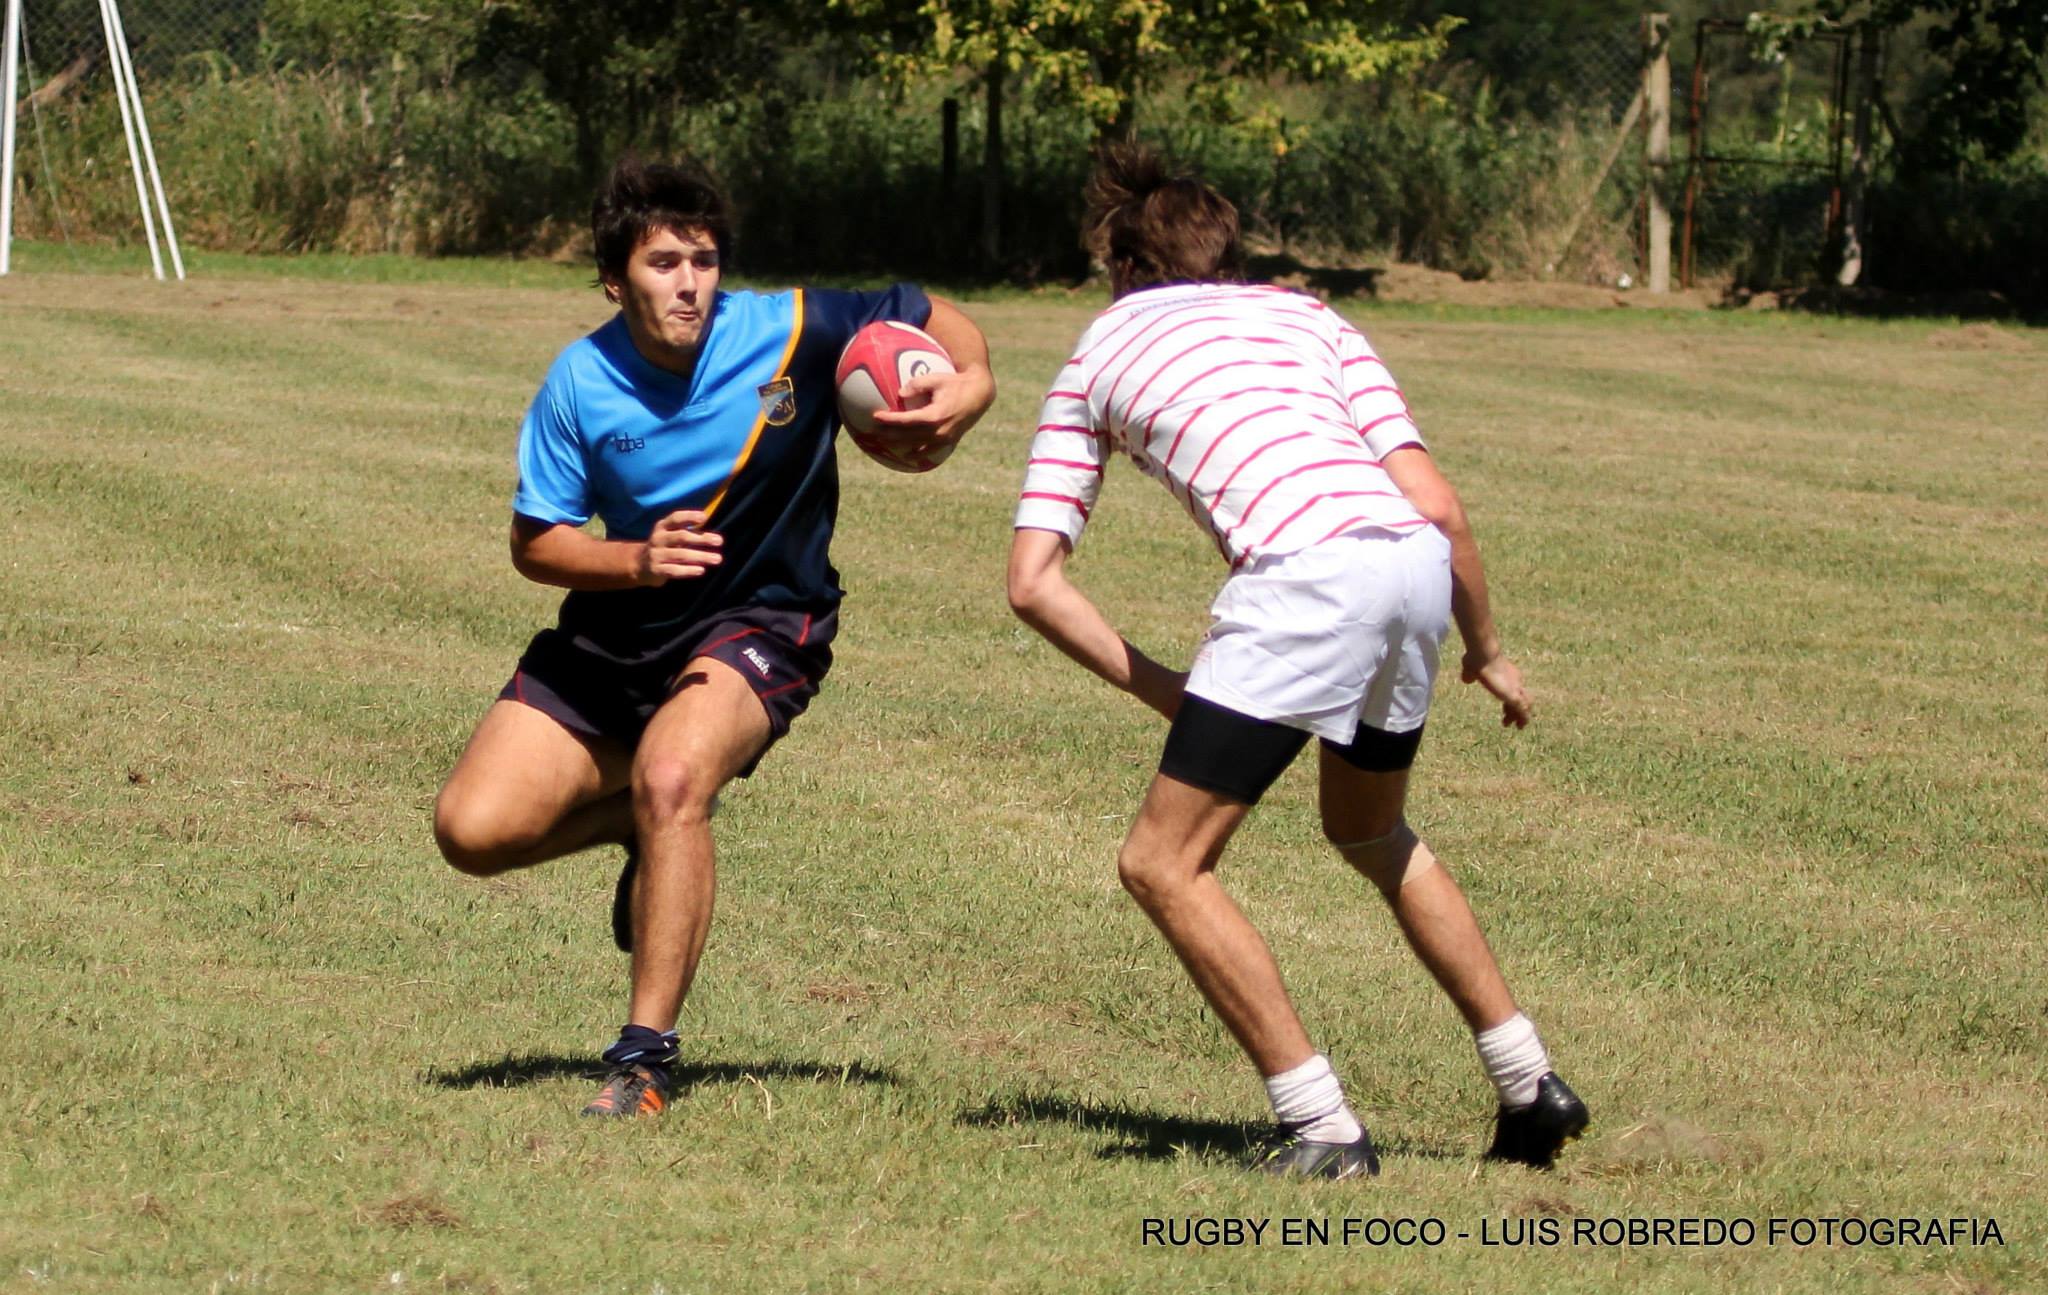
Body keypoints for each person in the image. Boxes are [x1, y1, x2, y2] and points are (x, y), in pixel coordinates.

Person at [1005, 144, 1586, 1177]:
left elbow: (1032, 580)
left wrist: (1167, 692)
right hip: (1407, 567)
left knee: (1161, 862)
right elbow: (1437, 506)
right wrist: (1486, 650)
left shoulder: (1095, 353)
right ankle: (1528, 1079)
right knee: (1368, 829)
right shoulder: (1310, 316)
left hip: (1305, 579)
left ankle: (1318, 1123)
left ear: (1119, 265)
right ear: (1223, 254)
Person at [433, 157, 995, 1118]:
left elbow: (935, 315)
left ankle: (643, 1058)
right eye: (662, 262)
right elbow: (536, 543)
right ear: (617, 280)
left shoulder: (791, 328)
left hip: (764, 618)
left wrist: (972, 386)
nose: (689, 281)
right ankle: (647, 837)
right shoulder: (579, 381)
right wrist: (635, 564)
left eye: (703, 259)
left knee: (672, 778)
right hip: (619, 631)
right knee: (473, 833)